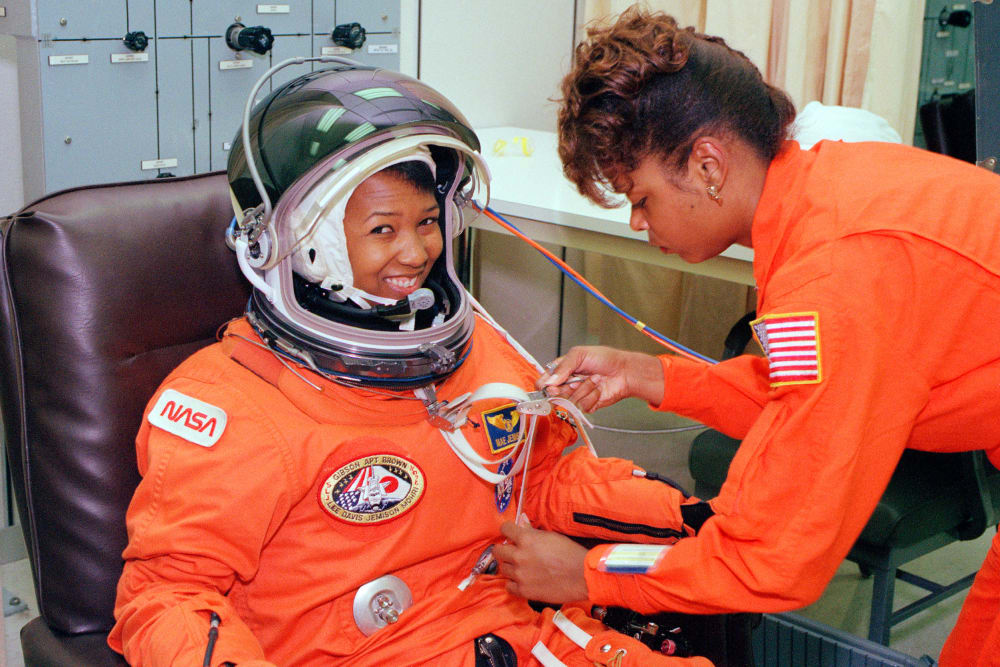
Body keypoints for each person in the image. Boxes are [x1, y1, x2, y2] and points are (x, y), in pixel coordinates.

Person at [106, 64, 716, 666]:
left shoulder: (479, 350)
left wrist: (695, 517)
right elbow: (169, 598)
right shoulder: (233, 405)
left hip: (529, 633)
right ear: (304, 240)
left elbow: (545, 480)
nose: (416, 250)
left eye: (427, 222)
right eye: (382, 229)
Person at [492, 7, 1000, 665]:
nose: (641, 224)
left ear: (707, 164)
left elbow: (775, 559)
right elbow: (802, 399)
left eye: (640, 198)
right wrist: (647, 374)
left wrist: (587, 573)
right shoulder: (818, 196)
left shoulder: (833, 272)